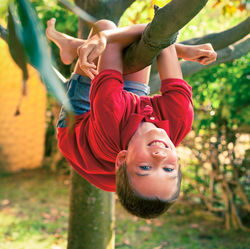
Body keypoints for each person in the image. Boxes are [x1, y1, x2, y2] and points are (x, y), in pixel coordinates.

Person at [46, 18, 216, 218]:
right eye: (169, 168)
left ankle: (76, 47)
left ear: (123, 158)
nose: (160, 157)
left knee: (106, 27)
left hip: (80, 130)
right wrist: (171, 46)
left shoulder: (110, 116)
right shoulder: (179, 119)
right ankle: (72, 46)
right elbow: (161, 38)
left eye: (145, 167)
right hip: (128, 116)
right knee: (140, 51)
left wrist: (179, 49)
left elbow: (114, 41)